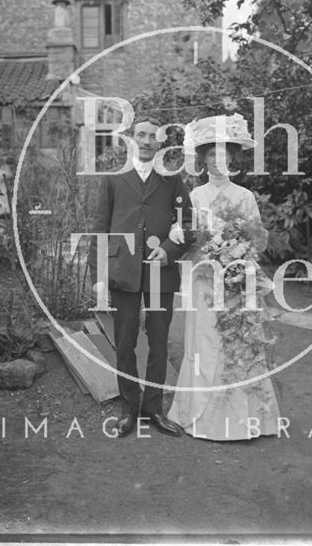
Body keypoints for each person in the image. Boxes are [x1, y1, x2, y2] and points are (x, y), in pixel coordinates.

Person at [167, 114, 280, 441]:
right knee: (206, 344)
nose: (219, 161)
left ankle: (245, 421)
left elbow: (258, 238)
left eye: (224, 155)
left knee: (238, 345)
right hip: (206, 282)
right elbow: (188, 238)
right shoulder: (195, 197)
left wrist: (240, 253)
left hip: (237, 284)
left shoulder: (244, 196)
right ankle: (200, 417)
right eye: (212, 155)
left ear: (232, 158)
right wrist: (206, 250)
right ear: (203, 160)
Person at [88, 116, 193, 438]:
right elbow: (99, 228)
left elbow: (188, 224)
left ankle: (153, 409)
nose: (147, 141)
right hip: (124, 272)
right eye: (142, 135)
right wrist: (99, 275)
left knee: (159, 343)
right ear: (132, 139)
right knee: (125, 343)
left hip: (161, 272)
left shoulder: (172, 180)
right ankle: (129, 409)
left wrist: (169, 251)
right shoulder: (114, 180)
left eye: (153, 137)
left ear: (161, 143)